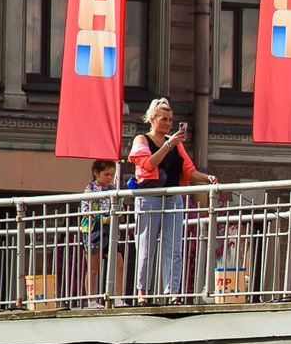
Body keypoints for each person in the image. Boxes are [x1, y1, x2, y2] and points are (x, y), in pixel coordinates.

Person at [129, 97, 211, 298]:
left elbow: (188, 170)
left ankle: (172, 292)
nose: (168, 123)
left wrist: (207, 178)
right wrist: (169, 144)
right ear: (153, 119)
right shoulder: (142, 140)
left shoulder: (175, 144)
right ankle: (142, 292)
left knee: (173, 248)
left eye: (170, 120)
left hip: (173, 197)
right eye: (164, 119)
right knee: (146, 246)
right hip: (149, 197)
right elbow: (147, 164)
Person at [81, 159, 120, 303]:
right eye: (107, 174)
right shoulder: (90, 189)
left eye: (112, 175)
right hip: (93, 230)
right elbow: (86, 211)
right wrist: (104, 219)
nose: (110, 178)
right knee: (93, 267)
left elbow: (117, 208)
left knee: (118, 263)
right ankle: (91, 300)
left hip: (110, 230)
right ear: (96, 173)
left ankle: (118, 298)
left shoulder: (112, 190)